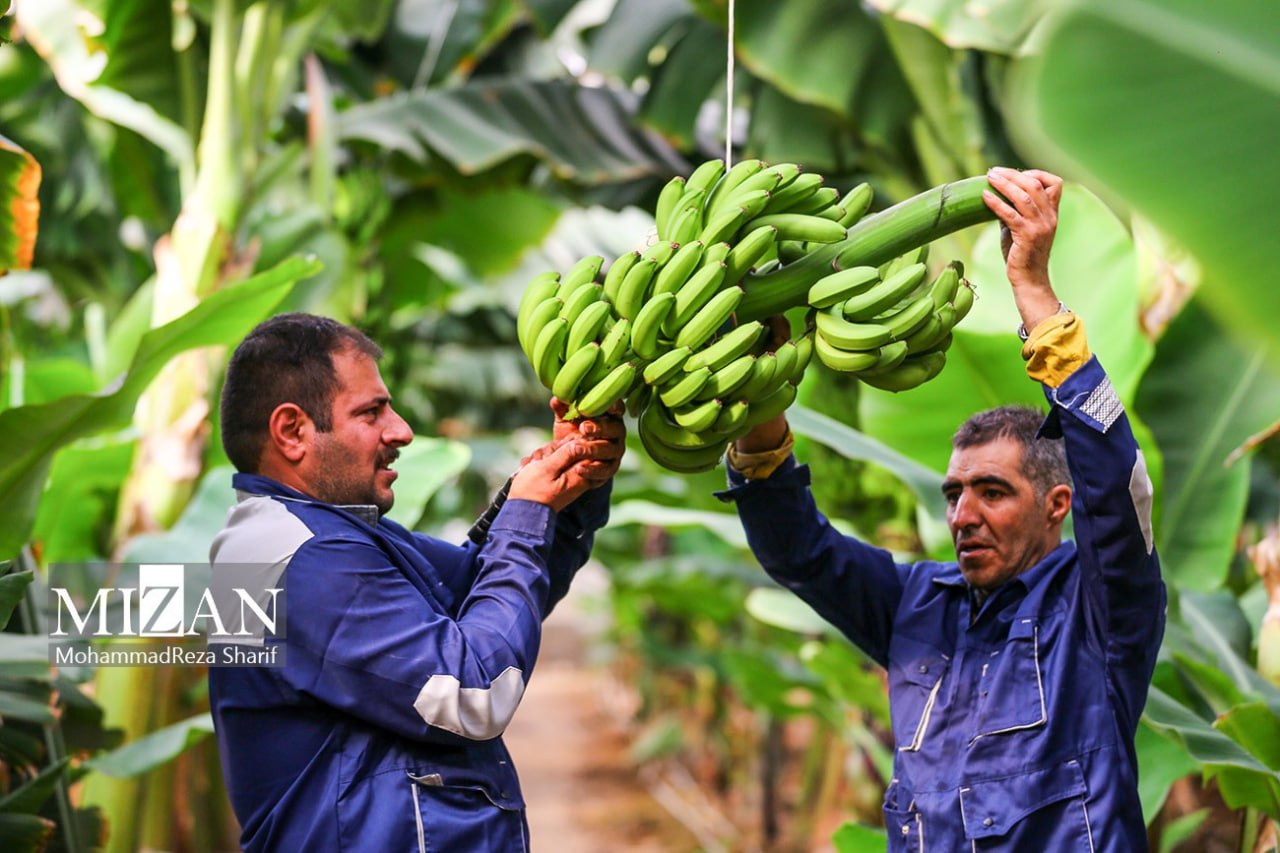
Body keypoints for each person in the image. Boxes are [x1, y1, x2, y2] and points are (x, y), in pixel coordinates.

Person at [720, 168, 1164, 850]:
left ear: (1057, 505)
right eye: (954, 493)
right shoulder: (915, 603)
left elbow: (1115, 483)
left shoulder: (1100, 610)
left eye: (993, 491)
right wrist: (759, 401)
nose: (963, 513)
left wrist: (1036, 294)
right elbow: (797, 550)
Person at [207, 312, 624, 851]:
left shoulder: (329, 536)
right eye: (371, 411)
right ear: (292, 432)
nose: (400, 430)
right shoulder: (297, 560)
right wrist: (523, 512)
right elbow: (476, 690)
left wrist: (564, 497)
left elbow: (485, 596)